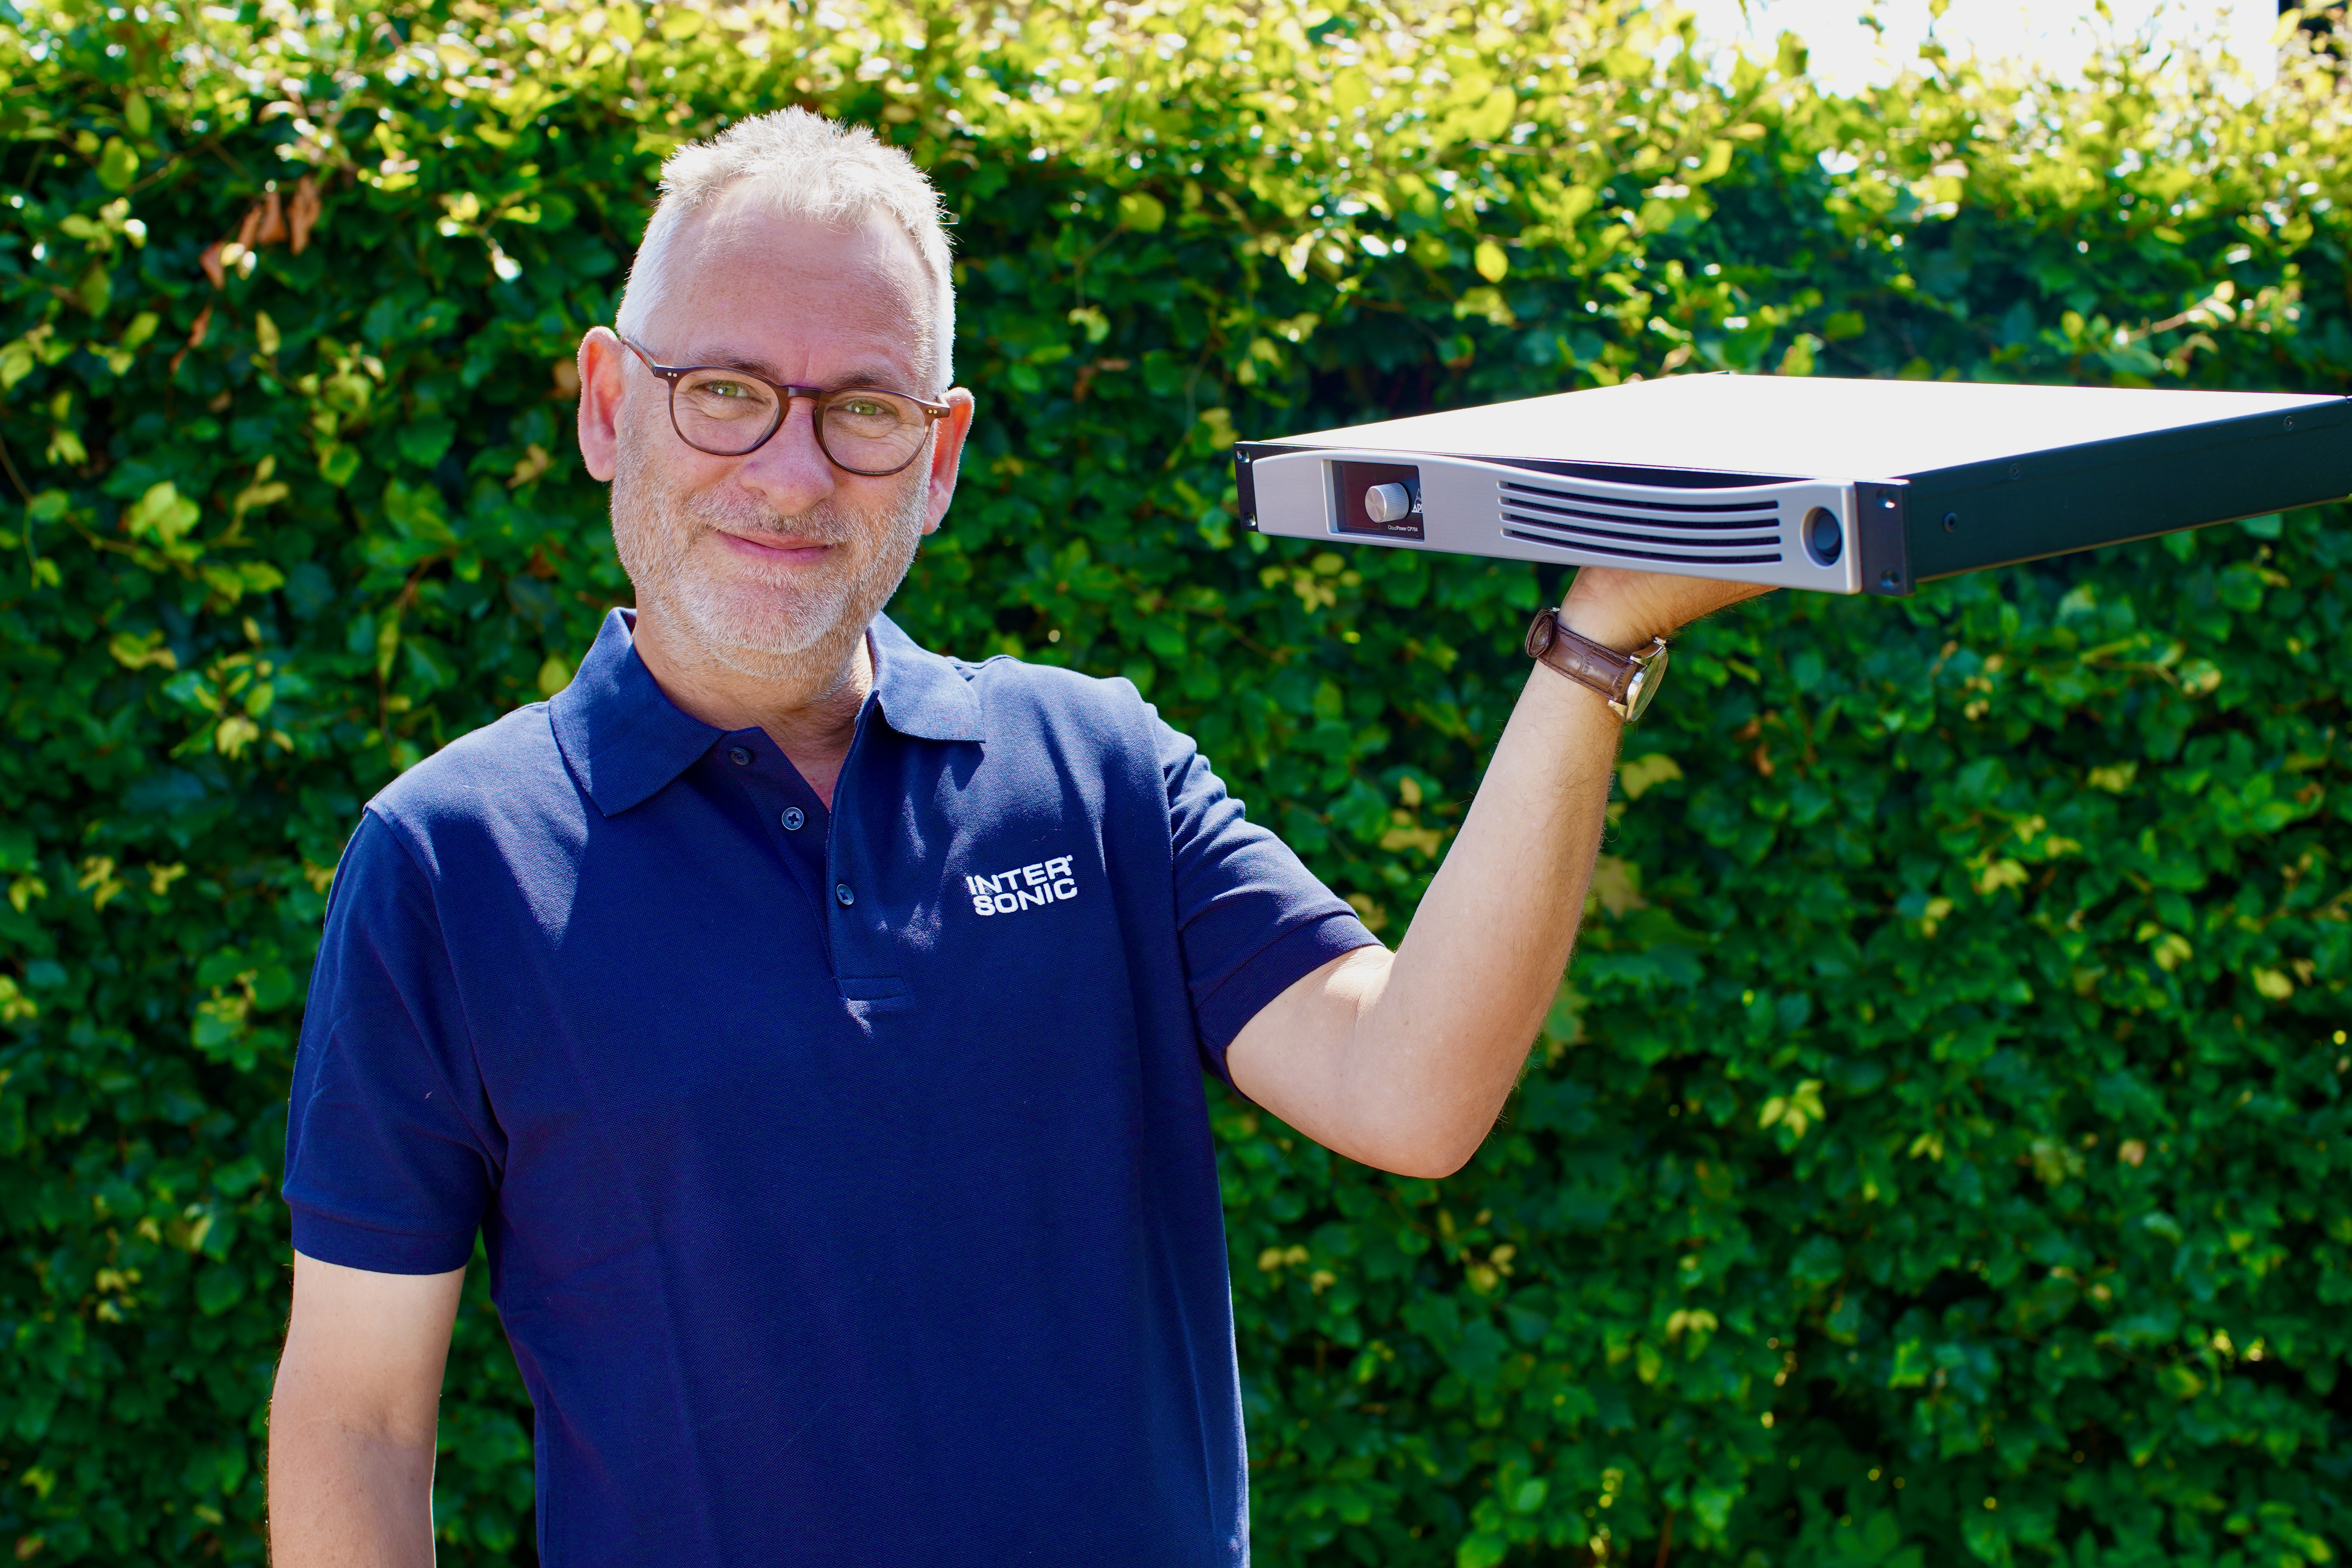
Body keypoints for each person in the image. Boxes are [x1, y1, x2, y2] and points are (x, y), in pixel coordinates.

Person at [266, 109, 1763, 1566]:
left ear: (939, 458)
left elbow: (1410, 1091)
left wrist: (1595, 643)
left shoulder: (1095, 768)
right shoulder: (449, 862)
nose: (792, 473)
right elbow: (358, 1421)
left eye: (865, 408)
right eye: (723, 389)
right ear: (609, 406)